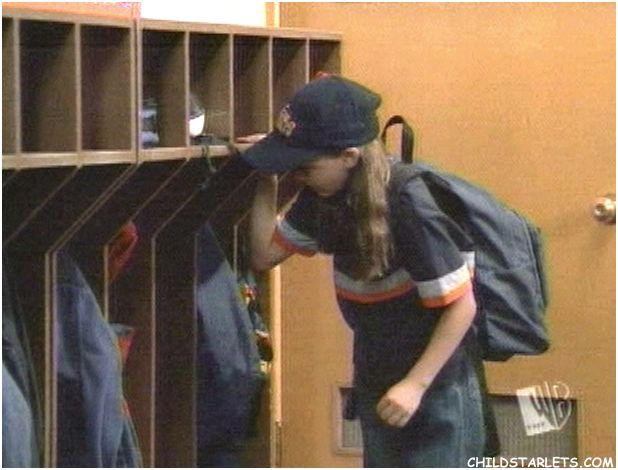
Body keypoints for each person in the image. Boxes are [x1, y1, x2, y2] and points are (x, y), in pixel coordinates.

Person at [240, 74, 493, 467]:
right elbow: (263, 255)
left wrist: (415, 385)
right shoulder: (322, 196)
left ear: (349, 156)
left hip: (436, 389)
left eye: (304, 167)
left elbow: (463, 307)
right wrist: (266, 175)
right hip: (378, 379)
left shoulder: (408, 203)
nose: (297, 176)